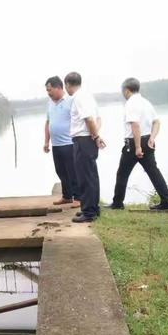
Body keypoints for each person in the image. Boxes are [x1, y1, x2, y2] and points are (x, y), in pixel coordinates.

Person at [106, 78, 168, 210]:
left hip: (134, 143)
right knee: (154, 172)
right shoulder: (145, 102)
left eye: (122, 91)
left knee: (122, 173)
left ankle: (118, 203)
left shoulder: (131, 103)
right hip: (147, 140)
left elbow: (135, 125)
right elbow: (156, 122)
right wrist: (152, 138)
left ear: (126, 90)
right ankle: (167, 201)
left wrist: (137, 147)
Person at [64, 72, 105, 223]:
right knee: (91, 175)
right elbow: (98, 119)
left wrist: (94, 136)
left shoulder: (78, 98)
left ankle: (88, 212)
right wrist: (96, 135)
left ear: (68, 84)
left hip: (83, 140)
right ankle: (93, 208)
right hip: (88, 138)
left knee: (85, 177)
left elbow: (89, 119)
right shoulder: (88, 96)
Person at [43, 76, 80, 208]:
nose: (49, 93)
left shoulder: (71, 101)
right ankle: (67, 196)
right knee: (60, 171)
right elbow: (48, 123)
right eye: (47, 91)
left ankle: (78, 197)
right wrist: (46, 141)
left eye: (50, 90)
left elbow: (78, 120)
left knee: (72, 171)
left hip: (69, 143)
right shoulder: (50, 103)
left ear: (59, 87)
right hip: (56, 144)